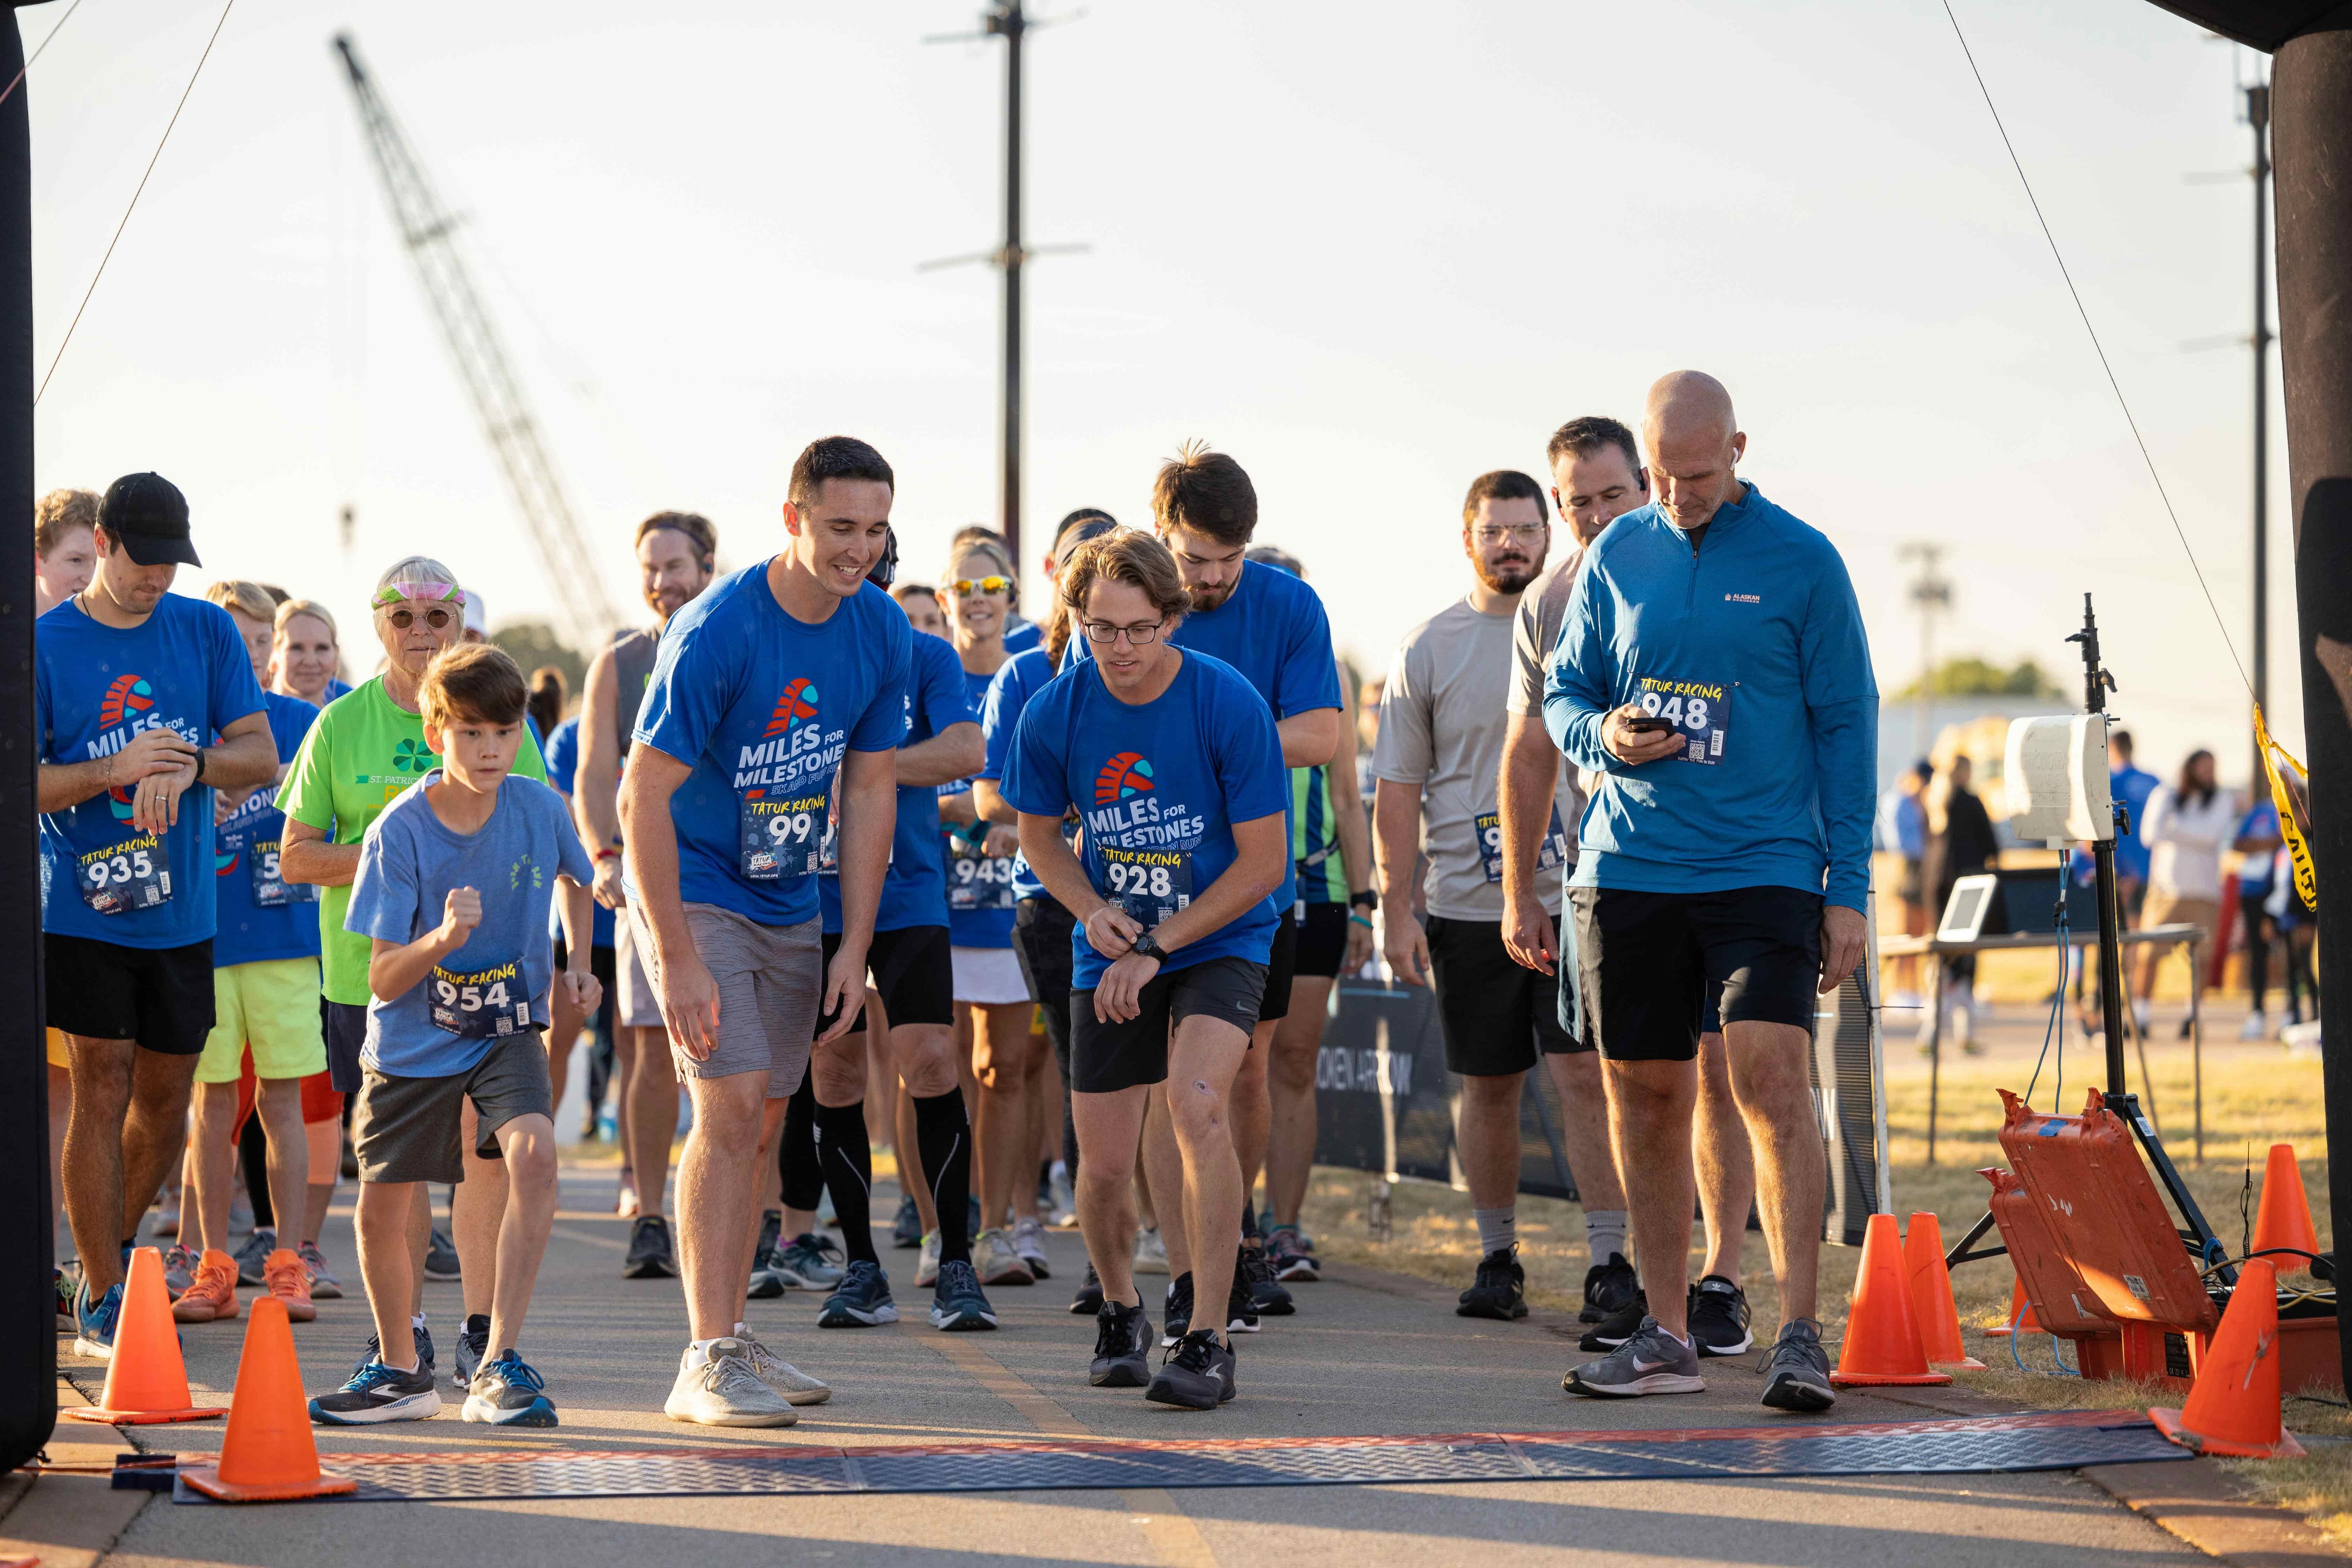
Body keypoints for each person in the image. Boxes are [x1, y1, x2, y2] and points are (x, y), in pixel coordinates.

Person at [1546, 373, 1874, 1410]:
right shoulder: (1616, 551)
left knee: (1768, 1077)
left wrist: (1848, 886)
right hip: (1630, 866)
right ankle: (1662, 1330)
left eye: (1695, 473)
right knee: (1643, 1094)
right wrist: (1600, 734)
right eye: (1660, 474)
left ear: (1735, 447)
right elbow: (1563, 690)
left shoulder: (1803, 560)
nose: (1677, 493)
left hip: (1764, 864)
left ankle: (1797, 1333)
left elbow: (1846, 723)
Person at [620, 435, 914, 1426]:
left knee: (766, 1119)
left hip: (796, 900)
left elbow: (871, 786)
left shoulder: (880, 629)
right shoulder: (717, 630)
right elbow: (639, 795)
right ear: (793, 519)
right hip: (703, 893)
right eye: (841, 528)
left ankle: (734, 1332)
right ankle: (703, 1360)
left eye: (875, 529)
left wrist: (856, 944)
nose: (860, 549)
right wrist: (677, 954)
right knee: (731, 1108)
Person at [1003, 529, 1288, 1409]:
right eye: (1101, 630)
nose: (1121, 649)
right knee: (1106, 1160)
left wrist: (1159, 946)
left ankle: (1204, 1332)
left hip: (1218, 937)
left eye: (1138, 630)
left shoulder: (1224, 701)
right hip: (1111, 942)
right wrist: (1093, 911)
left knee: (1198, 1106)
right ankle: (1121, 1307)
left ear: (1171, 619)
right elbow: (1038, 835)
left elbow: (1262, 864)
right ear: (1078, 623)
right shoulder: (1057, 708)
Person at [1068, 443, 1342, 1334]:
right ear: (1159, 537)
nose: (1217, 577)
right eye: (1197, 558)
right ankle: (1182, 1259)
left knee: (1242, 1074)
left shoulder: (1289, 604)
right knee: (1159, 1082)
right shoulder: (1124, 602)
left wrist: (1216, 735)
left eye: (1233, 557)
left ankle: (1238, 1234)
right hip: (1137, 889)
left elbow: (1325, 733)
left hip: (1250, 887)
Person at [1501, 415, 1759, 1352]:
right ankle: (1639, 1281)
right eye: (1579, 504)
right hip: (1610, 873)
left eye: (1617, 495)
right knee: (1621, 1082)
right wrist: (1520, 889)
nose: (1600, 516)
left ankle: (1724, 1275)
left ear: (1647, 482)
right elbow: (1529, 752)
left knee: (1721, 1073)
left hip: (1731, 866)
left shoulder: (1717, 565)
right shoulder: (1550, 601)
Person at [307, 644, 595, 1426]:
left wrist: (579, 962)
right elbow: (382, 978)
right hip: (412, 1034)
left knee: (534, 1155)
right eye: (470, 732)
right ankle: (400, 1370)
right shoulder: (398, 831)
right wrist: (439, 938)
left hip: (504, 1025)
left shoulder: (538, 805)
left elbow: (575, 878)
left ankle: (499, 1359)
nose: (490, 748)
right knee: (379, 1212)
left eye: (503, 731)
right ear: (437, 733)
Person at [280, 558, 553, 1377]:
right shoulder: (339, 724)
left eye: (438, 617)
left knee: (481, 1152)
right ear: (378, 626)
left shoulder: (499, 715)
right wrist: (396, 853)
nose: (421, 633)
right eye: (403, 617)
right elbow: (295, 858)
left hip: (482, 983)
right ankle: (407, 1332)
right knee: (396, 1172)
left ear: (459, 624)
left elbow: (539, 832)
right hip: (374, 983)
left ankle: (478, 1328)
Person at [40, 473, 278, 1357]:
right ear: (101, 544)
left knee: (168, 1100)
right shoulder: (48, 645)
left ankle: (100, 1266)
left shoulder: (206, 628)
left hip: (183, 914)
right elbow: (21, 785)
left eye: (172, 562)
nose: (157, 579)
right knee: (101, 1084)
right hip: (84, 907)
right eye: (143, 561)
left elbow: (259, 755)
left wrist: (189, 766)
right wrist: (113, 770)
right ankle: (106, 1292)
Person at [1376, 469, 1622, 1324]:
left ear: (1547, 533)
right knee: (1486, 1087)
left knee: (1585, 1077)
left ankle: (1612, 1261)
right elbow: (1398, 789)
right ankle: (1496, 1255)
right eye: (1495, 531)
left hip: (1577, 897)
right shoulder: (1429, 646)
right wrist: (1394, 905)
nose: (1512, 544)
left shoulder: (1580, 620)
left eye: (1525, 528)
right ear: (1468, 537)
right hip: (1467, 906)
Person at [799, 536, 986, 1331]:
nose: (864, 584)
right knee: (835, 1073)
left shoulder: (925, 655)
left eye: (877, 571)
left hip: (909, 890)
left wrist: (868, 764)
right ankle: (863, 1267)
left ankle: (956, 1262)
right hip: (812, 892)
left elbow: (966, 751)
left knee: (933, 1058)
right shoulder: (797, 655)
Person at [170, 581, 329, 1328]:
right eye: (234, 640)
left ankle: (288, 1261)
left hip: (286, 941)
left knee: (284, 1100)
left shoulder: (305, 724)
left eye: (261, 641)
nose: (252, 654)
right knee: (211, 1104)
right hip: (202, 939)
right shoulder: (185, 733)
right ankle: (213, 1265)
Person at [974, 508, 1121, 1310]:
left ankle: (1159, 1239)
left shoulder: (1150, 660)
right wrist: (1059, 815)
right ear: (1054, 572)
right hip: (1053, 902)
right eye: (1077, 564)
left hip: (1146, 899)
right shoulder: (1025, 672)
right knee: (1082, 1076)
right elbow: (991, 791)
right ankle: (1106, 1269)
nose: (1090, 578)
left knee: (1155, 1081)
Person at [576, 511, 718, 1272]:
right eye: (650, 568)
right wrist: (603, 854)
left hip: (732, 882)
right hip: (646, 882)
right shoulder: (621, 660)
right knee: (648, 1052)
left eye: (676, 567)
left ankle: (748, 1215)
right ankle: (654, 1216)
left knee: (739, 1053)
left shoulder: (735, 638)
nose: (663, 582)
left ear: (707, 567)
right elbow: (596, 773)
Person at [1240, 544, 1374, 1285]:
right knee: (1236, 1065)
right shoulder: (1226, 679)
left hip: (1314, 888)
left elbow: (1350, 800)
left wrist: (1363, 902)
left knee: (1292, 1059)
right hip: (1232, 890)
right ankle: (1234, 1220)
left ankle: (1285, 1225)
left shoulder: (1326, 690)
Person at [935, 531, 1046, 1287]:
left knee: (1004, 1067)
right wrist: (974, 813)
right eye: (963, 589)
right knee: (935, 1069)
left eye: (992, 588)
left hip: (1009, 907)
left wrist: (1020, 817)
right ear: (944, 600)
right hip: (931, 900)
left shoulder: (1032, 678)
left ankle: (1000, 1226)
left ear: (1013, 597)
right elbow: (892, 783)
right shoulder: (924, 672)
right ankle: (941, 1231)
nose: (978, 602)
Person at [34, 485, 100, 1290]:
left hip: (96, 906)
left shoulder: (129, 649)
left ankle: (68, 1264)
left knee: (82, 1094)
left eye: (98, 559)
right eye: (75, 561)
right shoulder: (35, 648)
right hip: (42, 897)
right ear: (39, 564)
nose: (88, 575)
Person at [541, 704, 616, 1123]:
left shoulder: (661, 720)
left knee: (639, 1050)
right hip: (575, 921)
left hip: (637, 913)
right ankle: (538, 1156)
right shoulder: (569, 737)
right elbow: (563, 819)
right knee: (558, 1041)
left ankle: (631, 1176)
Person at [2136, 749, 2235, 1036]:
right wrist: (2191, 832)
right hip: (2165, 891)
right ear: (2189, 768)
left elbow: (2212, 837)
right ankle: (2141, 1018)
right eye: (2203, 768)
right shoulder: (2164, 795)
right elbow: (2149, 835)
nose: (2208, 774)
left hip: (2205, 892)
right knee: (2148, 955)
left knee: (2202, 959)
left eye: (2212, 768)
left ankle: (2193, 1017)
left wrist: (2175, 830)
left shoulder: (2221, 799)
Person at [1920, 752, 1998, 1052]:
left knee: (1943, 959)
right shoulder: (1970, 802)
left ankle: (1930, 1034)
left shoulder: (1936, 802)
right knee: (1966, 960)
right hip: (1969, 885)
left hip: (1939, 885)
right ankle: (1964, 1035)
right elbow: (1991, 845)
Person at [2106, 729, 2161, 1029]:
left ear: (2113, 749)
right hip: (2151, 873)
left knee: (2120, 942)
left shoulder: (2111, 783)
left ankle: (2121, 1008)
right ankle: (2139, 1007)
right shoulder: (2153, 782)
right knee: (2141, 942)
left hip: (2120, 872)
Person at [1876, 760, 1932, 1011]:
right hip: (1911, 870)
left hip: (1923, 872)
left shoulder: (1921, 803)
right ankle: (1901, 989)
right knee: (1907, 934)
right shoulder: (1901, 801)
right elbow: (1899, 842)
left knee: (1920, 935)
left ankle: (1913, 988)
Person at [2233, 789, 2284, 1040]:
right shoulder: (2259, 811)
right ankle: (2258, 1012)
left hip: (2286, 889)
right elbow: (2238, 843)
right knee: (2258, 952)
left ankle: (2292, 1013)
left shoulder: (2296, 807)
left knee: (2292, 951)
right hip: (2254, 892)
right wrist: (2269, 843)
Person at [272, 598, 349, 707]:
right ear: (274, 652)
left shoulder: (358, 713)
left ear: (336, 655)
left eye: (322, 648)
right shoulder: (250, 718)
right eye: (297, 648)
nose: (310, 662)